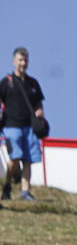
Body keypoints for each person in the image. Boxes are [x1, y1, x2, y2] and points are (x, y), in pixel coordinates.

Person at [0, 47, 45, 202]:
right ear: (14, 61)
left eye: (25, 60)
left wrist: (40, 112)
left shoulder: (33, 83)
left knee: (28, 159)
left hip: (29, 126)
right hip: (11, 125)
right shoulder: (7, 81)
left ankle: (25, 191)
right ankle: (7, 185)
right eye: (20, 60)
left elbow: (39, 102)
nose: (23, 63)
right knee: (15, 157)